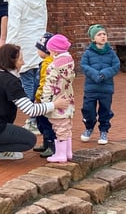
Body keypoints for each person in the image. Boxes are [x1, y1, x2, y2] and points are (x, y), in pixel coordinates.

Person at [0, 43, 69, 168]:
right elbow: (30, 110)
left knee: (11, 134)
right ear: (11, 61)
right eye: (20, 59)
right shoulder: (10, 81)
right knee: (29, 140)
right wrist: (55, 104)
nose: (23, 63)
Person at [5, 0, 47, 133]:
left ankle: (33, 119)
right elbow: (44, 20)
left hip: (24, 44)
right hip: (39, 44)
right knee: (39, 82)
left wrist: (9, 47)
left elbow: (13, 25)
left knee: (27, 82)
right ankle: (38, 118)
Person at [79, 24, 119, 145]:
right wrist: (96, 75)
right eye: (99, 34)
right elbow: (84, 66)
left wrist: (103, 74)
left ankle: (103, 131)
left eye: (104, 34)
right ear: (93, 38)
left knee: (105, 111)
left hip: (106, 89)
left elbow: (116, 66)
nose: (102, 36)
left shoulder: (111, 53)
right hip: (91, 88)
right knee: (88, 110)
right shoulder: (88, 53)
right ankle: (89, 128)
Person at [41, 34, 76, 163]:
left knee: (59, 127)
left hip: (57, 101)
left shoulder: (53, 67)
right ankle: (68, 152)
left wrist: (45, 101)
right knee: (66, 127)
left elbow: (49, 85)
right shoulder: (70, 64)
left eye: (50, 51)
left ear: (55, 51)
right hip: (68, 100)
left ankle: (61, 154)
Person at [31, 32, 57, 158]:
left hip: (44, 99)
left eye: (39, 48)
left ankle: (51, 145)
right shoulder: (44, 62)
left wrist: (38, 97)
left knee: (46, 122)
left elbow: (43, 83)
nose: (37, 51)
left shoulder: (47, 64)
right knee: (41, 122)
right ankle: (46, 143)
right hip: (41, 98)